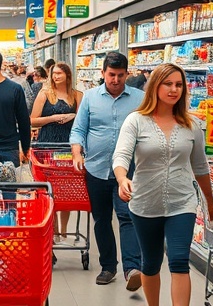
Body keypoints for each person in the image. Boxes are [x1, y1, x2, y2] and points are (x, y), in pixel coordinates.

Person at [113, 63, 213, 306]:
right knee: (150, 262)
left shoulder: (191, 125)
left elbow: (200, 167)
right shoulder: (136, 121)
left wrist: (209, 201)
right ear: (155, 87)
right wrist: (121, 178)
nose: (174, 89)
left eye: (179, 84)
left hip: (182, 202)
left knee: (180, 260)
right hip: (145, 202)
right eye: (168, 84)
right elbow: (121, 155)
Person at [69, 52, 144, 290]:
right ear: (103, 74)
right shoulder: (90, 97)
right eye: (111, 75)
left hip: (129, 171)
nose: (115, 80)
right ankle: (108, 266)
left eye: (121, 75)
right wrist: (76, 153)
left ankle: (132, 268)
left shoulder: (140, 99)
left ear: (127, 74)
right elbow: (79, 129)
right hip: (96, 168)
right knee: (101, 219)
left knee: (126, 217)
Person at [31, 62, 83, 243]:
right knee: (50, 189)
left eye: (60, 73)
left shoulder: (77, 95)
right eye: (54, 73)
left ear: (68, 75)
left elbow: (84, 120)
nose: (56, 76)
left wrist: (73, 116)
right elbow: (32, 121)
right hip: (47, 147)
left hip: (68, 147)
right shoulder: (45, 94)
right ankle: (52, 231)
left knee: (66, 189)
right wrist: (52, 118)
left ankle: (63, 231)